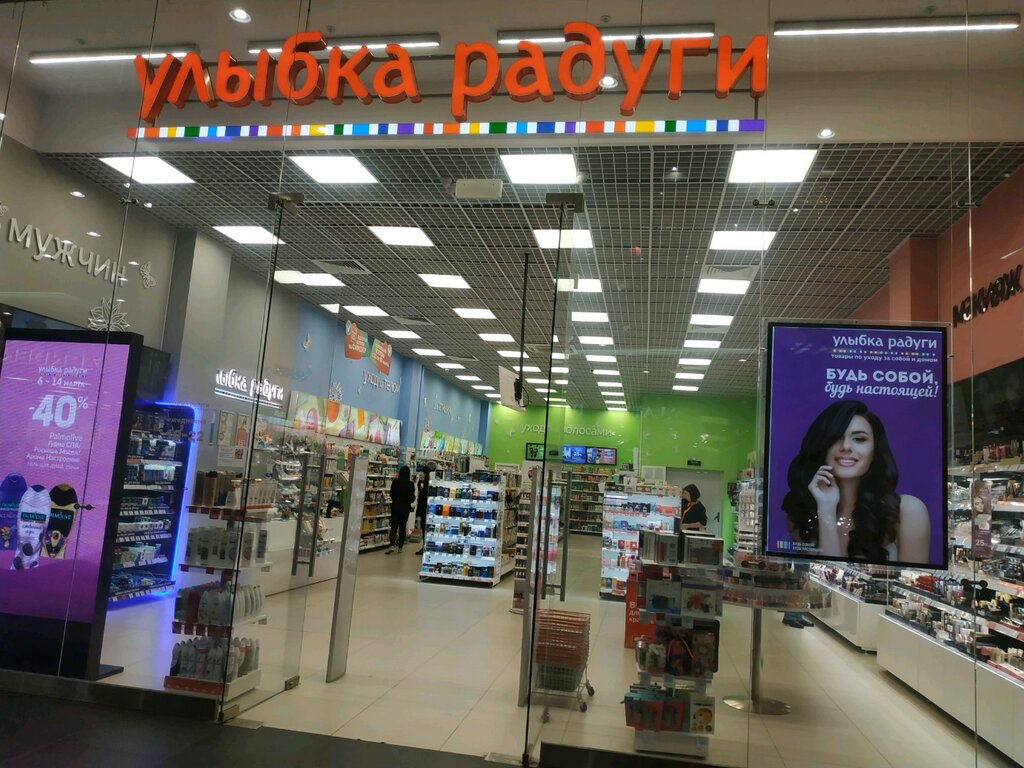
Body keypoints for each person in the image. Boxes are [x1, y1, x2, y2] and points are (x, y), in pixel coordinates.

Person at [782, 400, 929, 562]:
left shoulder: (908, 511)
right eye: (835, 438)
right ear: (822, 447)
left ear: (874, 452)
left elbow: (915, 577)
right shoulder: (800, 515)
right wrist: (826, 509)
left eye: (859, 439)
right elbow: (826, 575)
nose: (846, 446)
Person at [387, 465, 416, 554]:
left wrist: (396, 499)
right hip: (405, 509)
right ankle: (400, 547)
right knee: (402, 528)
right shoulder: (410, 484)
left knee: (394, 527)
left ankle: (391, 545)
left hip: (395, 507)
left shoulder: (395, 482)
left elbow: (391, 494)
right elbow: (412, 498)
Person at [413, 467, 431, 555]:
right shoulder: (427, 484)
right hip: (427, 510)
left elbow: (422, 499)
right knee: (426, 529)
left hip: (424, 510)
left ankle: (425, 546)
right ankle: (426, 546)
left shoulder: (426, 484)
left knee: (424, 529)